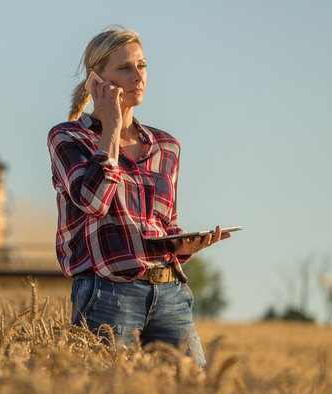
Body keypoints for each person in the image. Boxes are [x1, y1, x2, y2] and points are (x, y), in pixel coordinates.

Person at [48, 26, 231, 366]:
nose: (138, 75)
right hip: (108, 294)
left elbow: (164, 224)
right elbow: (93, 200)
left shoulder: (167, 146)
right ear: (96, 80)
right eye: (125, 68)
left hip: (171, 293)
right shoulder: (67, 138)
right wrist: (112, 128)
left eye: (142, 65)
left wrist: (183, 244)